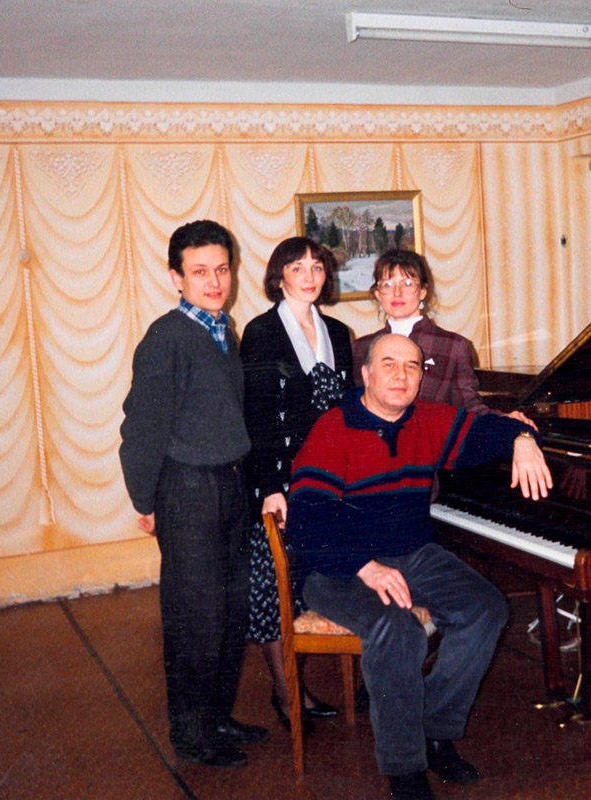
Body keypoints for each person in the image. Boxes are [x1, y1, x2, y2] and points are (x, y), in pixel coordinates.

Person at [287, 333, 553, 800]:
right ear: (366, 375)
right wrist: (365, 567)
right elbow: (307, 522)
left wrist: (523, 438)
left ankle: (434, 732)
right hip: (335, 567)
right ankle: (405, 768)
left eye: (412, 366)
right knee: (398, 628)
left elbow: (486, 432)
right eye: (389, 364)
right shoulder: (333, 428)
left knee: (485, 608)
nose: (401, 375)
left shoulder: (427, 419)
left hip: (412, 554)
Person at [119, 220, 267, 768]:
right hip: (188, 490)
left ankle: (217, 716)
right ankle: (192, 734)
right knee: (195, 617)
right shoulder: (167, 338)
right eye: (199, 272)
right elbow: (141, 428)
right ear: (176, 278)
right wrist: (148, 501)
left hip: (230, 484)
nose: (214, 281)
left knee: (230, 611)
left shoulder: (223, 330)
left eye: (221, 269)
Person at [239, 237, 353, 733]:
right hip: (281, 483)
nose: (309, 276)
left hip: (330, 482)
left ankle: (309, 688)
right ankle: (287, 695)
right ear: (279, 276)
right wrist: (269, 486)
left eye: (317, 267)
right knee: (276, 587)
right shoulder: (261, 332)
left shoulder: (339, 333)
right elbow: (256, 416)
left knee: (317, 584)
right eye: (297, 267)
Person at [351, 249, 491, 413]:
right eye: (388, 285)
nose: (397, 293)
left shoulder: (453, 346)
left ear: (423, 292)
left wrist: (506, 422)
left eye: (407, 284)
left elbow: (470, 406)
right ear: (378, 293)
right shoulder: (360, 348)